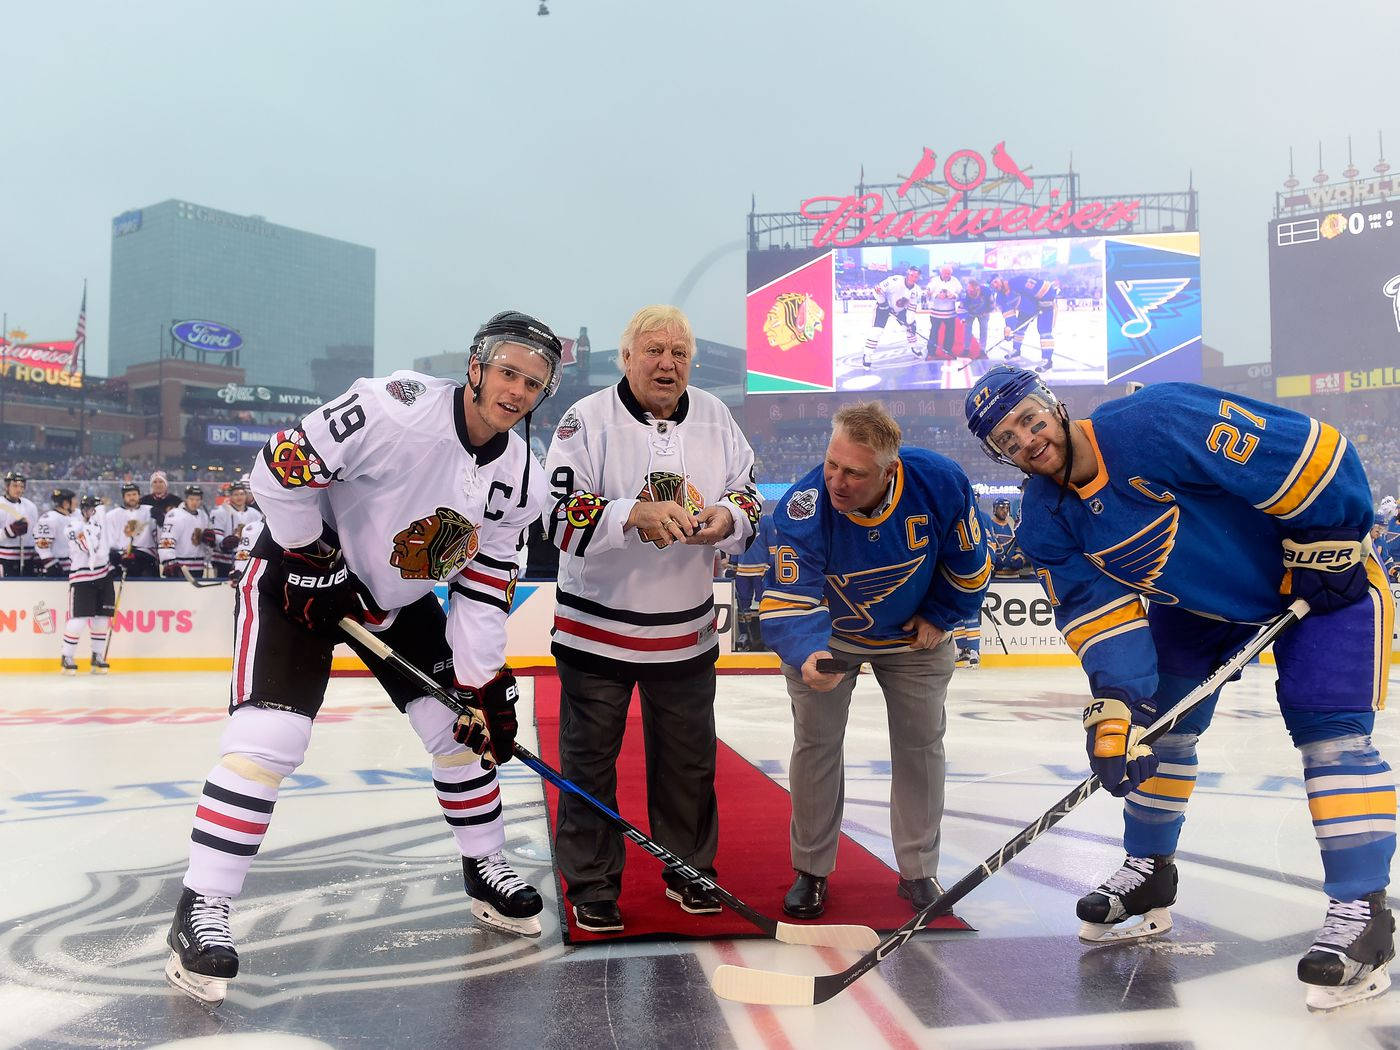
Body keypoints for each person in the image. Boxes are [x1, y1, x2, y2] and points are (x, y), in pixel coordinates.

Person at [964, 365, 1396, 1012]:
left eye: (1029, 418)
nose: (1027, 439)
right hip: (1201, 608)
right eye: (1006, 438)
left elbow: (1313, 450)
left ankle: (1361, 912)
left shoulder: (1154, 420)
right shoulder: (1047, 519)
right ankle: (1149, 874)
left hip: (1321, 580)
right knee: (1156, 731)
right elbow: (1101, 616)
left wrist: (1328, 535)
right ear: (997, 453)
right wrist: (1116, 711)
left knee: (1331, 739)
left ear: (1051, 404)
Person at [163, 310, 563, 1006]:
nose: (519, 390)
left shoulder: (522, 480)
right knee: (270, 741)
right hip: (295, 579)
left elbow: (482, 587)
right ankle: (202, 905)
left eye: (534, 383)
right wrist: (315, 561)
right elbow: (279, 466)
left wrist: (485, 686)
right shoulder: (394, 408)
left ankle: (486, 867)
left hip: (398, 601)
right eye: (508, 371)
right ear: (475, 367)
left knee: (460, 734)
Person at [544, 304, 760, 934]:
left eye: (680, 354)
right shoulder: (584, 420)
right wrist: (625, 515)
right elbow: (556, 516)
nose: (668, 364)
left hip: (686, 632)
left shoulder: (717, 417)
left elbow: (747, 491)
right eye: (655, 351)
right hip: (595, 630)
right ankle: (592, 883)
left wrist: (729, 520)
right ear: (626, 357)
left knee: (689, 763)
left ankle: (690, 871)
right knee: (589, 763)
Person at [759, 401, 991, 918]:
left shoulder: (940, 480)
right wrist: (806, 651)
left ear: (890, 469)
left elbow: (971, 560)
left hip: (916, 639)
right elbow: (791, 597)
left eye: (854, 473)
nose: (837, 482)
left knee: (921, 746)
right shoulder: (804, 503)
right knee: (815, 745)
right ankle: (811, 871)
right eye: (832, 465)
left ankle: (918, 872)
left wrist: (943, 613)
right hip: (830, 638)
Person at [60, 495, 116, 675]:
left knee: (102, 620)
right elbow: (89, 547)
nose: (95, 513)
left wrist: (120, 557)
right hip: (82, 578)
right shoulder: (73, 526)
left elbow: (111, 546)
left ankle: (97, 656)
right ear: (84, 510)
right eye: (92, 509)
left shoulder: (104, 525)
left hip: (104, 576)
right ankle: (67, 656)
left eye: (97, 509)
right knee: (78, 621)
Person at [862, 266, 923, 369]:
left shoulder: (917, 290)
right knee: (876, 331)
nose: (913, 278)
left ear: (918, 278)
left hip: (900, 310)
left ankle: (914, 347)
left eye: (916, 276)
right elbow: (877, 289)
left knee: (911, 329)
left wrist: (910, 322)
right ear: (908, 273)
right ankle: (867, 354)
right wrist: (883, 303)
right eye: (912, 275)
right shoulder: (895, 280)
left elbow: (912, 308)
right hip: (884, 307)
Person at [733, 511, 777, 652]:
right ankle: (746, 635)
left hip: (760, 569)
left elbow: (773, 546)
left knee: (764, 604)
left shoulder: (766, 520)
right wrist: (733, 564)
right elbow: (735, 542)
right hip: (742, 571)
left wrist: (770, 566)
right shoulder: (737, 518)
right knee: (743, 605)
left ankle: (765, 638)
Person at [208, 480, 264, 578]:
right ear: (230, 496)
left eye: (242, 494)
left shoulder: (255, 514)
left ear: (246, 495)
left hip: (247, 560)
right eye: (235, 494)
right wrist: (223, 543)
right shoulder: (220, 512)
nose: (239, 497)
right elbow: (216, 535)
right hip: (224, 560)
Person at [104, 483, 159, 578]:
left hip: (145, 558)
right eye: (128, 495)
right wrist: (117, 556)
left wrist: (161, 522)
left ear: (139, 496)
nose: (132, 497)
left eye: (134, 494)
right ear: (123, 497)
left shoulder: (150, 511)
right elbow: (109, 540)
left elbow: (159, 535)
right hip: (121, 559)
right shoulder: (111, 515)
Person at [159, 485, 213, 579]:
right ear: (186, 499)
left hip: (198, 566)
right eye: (191, 499)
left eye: (197, 499)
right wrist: (168, 561)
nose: (194, 502)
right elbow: (166, 539)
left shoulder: (203, 516)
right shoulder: (175, 515)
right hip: (179, 566)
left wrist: (210, 541)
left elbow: (207, 543)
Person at [0, 470, 38, 577]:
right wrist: (8, 532)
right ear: (7, 486)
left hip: (27, 558)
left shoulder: (31, 506)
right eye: (15, 486)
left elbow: (34, 532)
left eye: (21, 486)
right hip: (4, 559)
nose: (19, 489)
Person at [923, 263, 963, 360]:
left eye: (949, 273)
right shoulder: (934, 280)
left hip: (950, 313)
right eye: (945, 273)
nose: (947, 275)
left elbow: (961, 293)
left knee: (950, 333)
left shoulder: (955, 281)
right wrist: (936, 295)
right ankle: (931, 352)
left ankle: (948, 351)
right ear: (941, 272)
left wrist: (954, 296)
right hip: (936, 312)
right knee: (934, 333)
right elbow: (927, 292)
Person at [34, 488, 76, 578]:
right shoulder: (49, 519)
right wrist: (52, 565)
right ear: (65, 503)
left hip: (74, 567)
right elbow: (42, 547)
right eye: (74, 500)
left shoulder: (75, 516)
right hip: (59, 568)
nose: (76, 503)